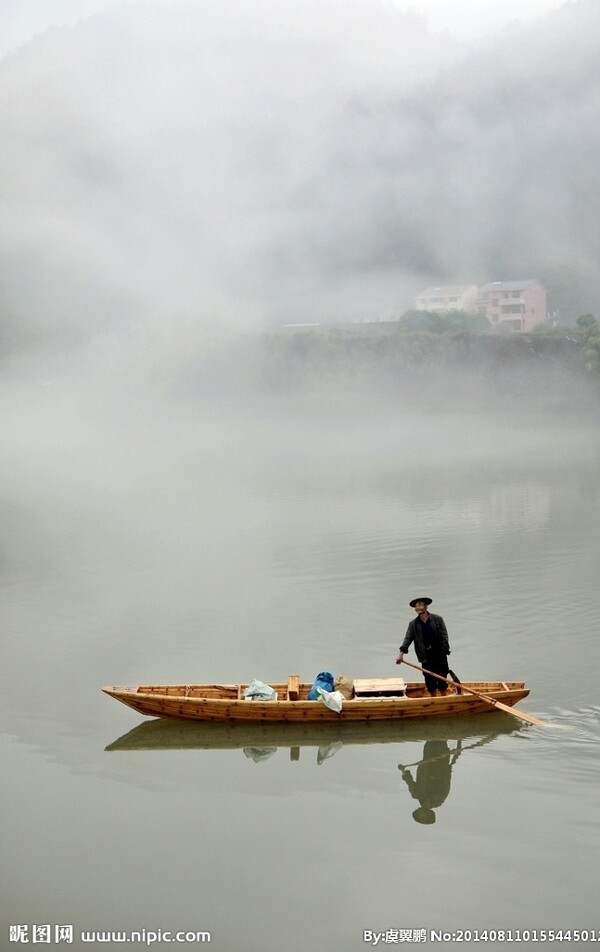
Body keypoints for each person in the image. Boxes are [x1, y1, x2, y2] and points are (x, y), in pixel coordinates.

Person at [398, 739, 462, 824]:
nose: (421, 813)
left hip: (427, 760)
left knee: (430, 740)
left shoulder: (416, 794)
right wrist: (451, 762)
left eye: (419, 814)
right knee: (441, 739)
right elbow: (446, 780)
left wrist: (403, 770)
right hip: (441, 763)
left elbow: (409, 781)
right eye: (423, 816)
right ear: (429, 814)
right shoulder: (439, 799)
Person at [396, 597, 450, 695]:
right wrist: (401, 654)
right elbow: (407, 639)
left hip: (439, 655)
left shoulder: (438, 619)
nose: (417, 607)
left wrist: (445, 650)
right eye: (416, 606)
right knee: (430, 682)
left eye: (420, 604)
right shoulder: (413, 624)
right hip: (425, 657)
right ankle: (433, 700)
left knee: (442, 679)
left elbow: (444, 636)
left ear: (426, 606)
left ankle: (444, 698)